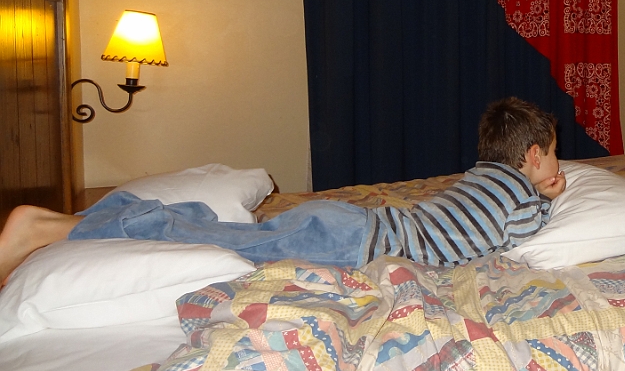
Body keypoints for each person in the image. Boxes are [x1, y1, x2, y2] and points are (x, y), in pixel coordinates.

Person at [0, 98, 566, 286]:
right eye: (555, 158)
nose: (558, 169)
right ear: (534, 156)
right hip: (349, 242)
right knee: (217, 242)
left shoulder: (478, 174)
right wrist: (551, 196)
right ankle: (49, 227)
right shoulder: (520, 193)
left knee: (227, 235)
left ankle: (114, 216)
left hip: (350, 224)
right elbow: (529, 233)